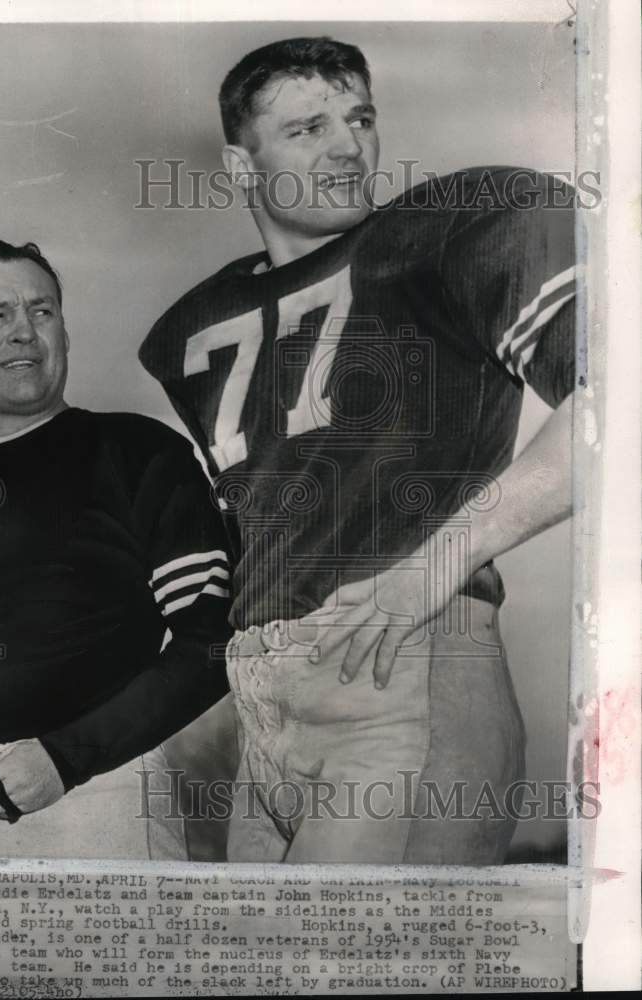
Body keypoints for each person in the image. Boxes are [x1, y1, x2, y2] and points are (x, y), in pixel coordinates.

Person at [139, 37, 576, 864]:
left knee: (337, 968)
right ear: (240, 166)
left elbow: (616, 405)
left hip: (405, 664)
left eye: (360, 117)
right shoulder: (194, 332)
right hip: (265, 705)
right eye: (307, 128)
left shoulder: (455, 225)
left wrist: (435, 565)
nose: (347, 146)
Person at [0, 239, 232, 858]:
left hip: (95, 800)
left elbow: (211, 641)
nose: (23, 331)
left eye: (42, 311)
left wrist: (64, 758)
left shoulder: (138, 452)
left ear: (65, 332)